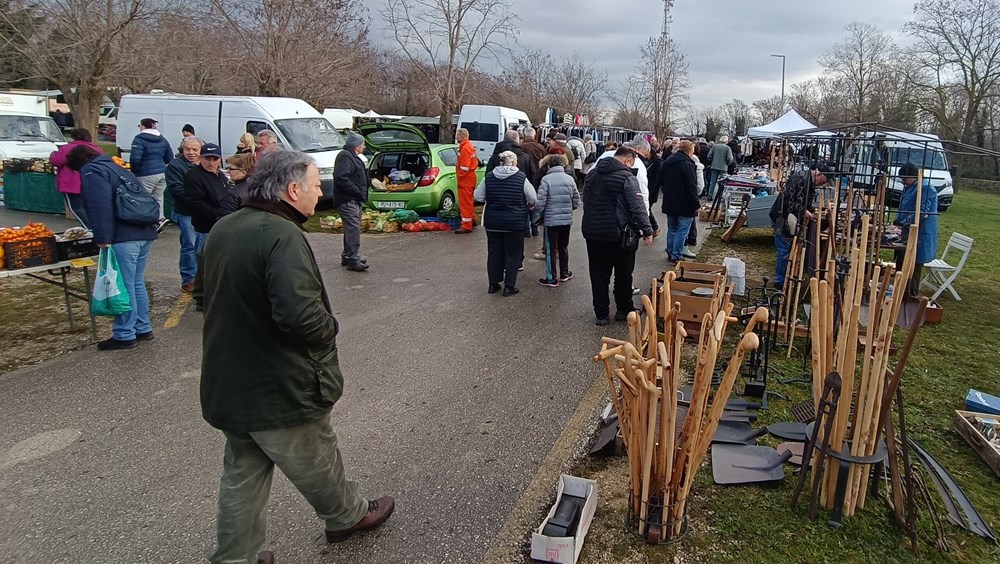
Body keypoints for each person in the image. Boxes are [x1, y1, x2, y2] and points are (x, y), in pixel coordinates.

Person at [200, 150, 394, 564]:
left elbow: (202, 293)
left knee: (243, 474)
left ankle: (236, 557)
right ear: (292, 189)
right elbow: (300, 316)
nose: (320, 193)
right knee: (314, 455)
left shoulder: (225, 227)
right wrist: (329, 331)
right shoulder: (280, 234)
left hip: (228, 381)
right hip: (278, 385)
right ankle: (347, 516)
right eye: (316, 185)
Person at [66, 144, 157, 350]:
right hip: (143, 232)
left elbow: (99, 205)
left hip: (123, 235)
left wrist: (102, 236)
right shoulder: (117, 168)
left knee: (123, 285)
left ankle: (125, 334)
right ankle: (142, 327)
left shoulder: (92, 170)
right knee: (136, 282)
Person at [582, 147, 653, 326]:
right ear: (628, 160)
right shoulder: (627, 177)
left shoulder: (592, 174)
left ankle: (601, 314)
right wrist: (647, 230)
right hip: (620, 234)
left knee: (598, 274)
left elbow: (587, 201)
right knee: (623, 273)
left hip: (593, 231)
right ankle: (623, 309)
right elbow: (637, 206)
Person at [474, 150, 536, 296]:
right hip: (514, 222)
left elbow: (478, 196)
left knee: (494, 253)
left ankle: (493, 284)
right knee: (512, 254)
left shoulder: (489, 177)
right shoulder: (521, 178)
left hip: (493, 222)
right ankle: (509, 286)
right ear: (514, 162)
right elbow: (533, 198)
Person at [769, 165, 829, 288]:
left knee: (789, 249)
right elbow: (787, 202)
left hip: (789, 217)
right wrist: (803, 211)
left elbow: (802, 201)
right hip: (782, 217)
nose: (823, 184)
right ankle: (780, 282)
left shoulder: (808, 182)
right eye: (824, 180)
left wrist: (811, 211)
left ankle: (786, 276)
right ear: (819, 174)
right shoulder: (800, 180)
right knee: (783, 250)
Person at [533, 154, 580, 287]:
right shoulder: (570, 179)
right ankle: (564, 273)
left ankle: (551, 278)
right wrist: (568, 209)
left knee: (551, 249)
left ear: (549, 165)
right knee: (563, 247)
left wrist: (536, 217)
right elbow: (576, 201)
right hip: (566, 220)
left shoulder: (546, 180)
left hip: (551, 220)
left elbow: (541, 202)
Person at [166, 136, 206, 293]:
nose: (191, 152)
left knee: (203, 247)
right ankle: (188, 279)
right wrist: (200, 197)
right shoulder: (175, 166)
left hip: (203, 212)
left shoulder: (205, 162)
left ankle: (202, 278)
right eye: (187, 149)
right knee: (190, 245)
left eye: (195, 149)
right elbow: (176, 190)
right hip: (186, 212)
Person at [894, 162, 938, 297]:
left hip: (920, 232)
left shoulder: (926, 189)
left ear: (912, 176)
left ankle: (910, 295)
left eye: (904, 179)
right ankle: (899, 290)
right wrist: (897, 222)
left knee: (913, 265)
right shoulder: (910, 187)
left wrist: (904, 223)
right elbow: (904, 207)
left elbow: (921, 213)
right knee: (901, 260)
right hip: (906, 231)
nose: (903, 182)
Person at [49, 128, 102, 228]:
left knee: (77, 208)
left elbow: (56, 161)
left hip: (71, 183)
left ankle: (89, 228)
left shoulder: (67, 148)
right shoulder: (97, 149)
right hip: (92, 183)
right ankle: (96, 228)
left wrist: (53, 154)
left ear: (73, 137)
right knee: (90, 208)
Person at [333, 132, 369, 270]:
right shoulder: (345, 156)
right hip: (348, 199)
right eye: (362, 144)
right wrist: (357, 191)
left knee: (351, 228)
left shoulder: (352, 156)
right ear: (356, 146)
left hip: (354, 199)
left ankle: (348, 256)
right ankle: (353, 260)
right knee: (353, 229)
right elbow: (341, 177)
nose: (364, 146)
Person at [660, 140, 700, 263]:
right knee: (682, 231)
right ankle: (677, 255)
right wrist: (696, 204)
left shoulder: (667, 162)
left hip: (670, 201)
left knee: (672, 229)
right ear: (690, 151)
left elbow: (661, 180)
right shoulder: (687, 164)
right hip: (685, 203)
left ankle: (671, 252)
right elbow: (691, 187)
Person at [129, 118, 173, 229]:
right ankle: (159, 219)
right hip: (162, 172)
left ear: (143, 126)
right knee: (158, 197)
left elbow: (135, 159)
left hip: (145, 173)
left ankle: (144, 222)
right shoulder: (162, 139)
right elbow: (169, 157)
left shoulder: (139, 139)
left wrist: (135, 170)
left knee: (144, 198)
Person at [184, 143, 231, 237]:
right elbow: (196, 204)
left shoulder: (220, 174)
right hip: (206, 228)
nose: (211, 163)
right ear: (200, 158)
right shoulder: (193, 176)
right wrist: (220, 214)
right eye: (207, 159)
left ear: (220, 159)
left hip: (222, 225)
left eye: (215, 159)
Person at [455, 128, 479, 234]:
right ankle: (471, 220)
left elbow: (464, 167)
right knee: (468, 201)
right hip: (469, 177)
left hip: (465, 179)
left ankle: (466, 225)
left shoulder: (465, 148)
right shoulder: (468, 146)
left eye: (457, 135)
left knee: (465, 203)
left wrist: (460, 178)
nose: (456, 137)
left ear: (461, 136)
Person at [705, 135, 734, 199]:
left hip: (714, 166)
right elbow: (730, 158)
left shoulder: (714, 146)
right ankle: (720, 196)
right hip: (723, 167)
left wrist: (712, 162)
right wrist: (727, 164)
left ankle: (710, 195)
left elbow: (709, 156)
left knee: (712, 182)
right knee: (722, 182)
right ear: (726, 141)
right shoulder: (727, 148)